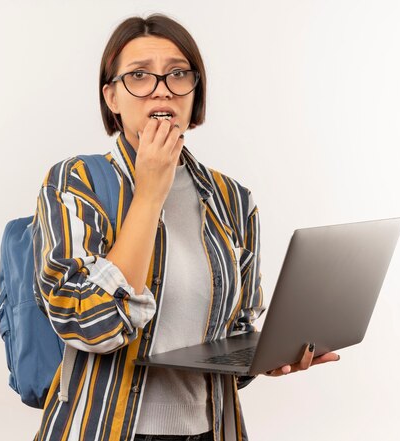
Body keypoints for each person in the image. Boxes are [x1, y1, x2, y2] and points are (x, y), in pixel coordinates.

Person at [31, 13, 340, 441]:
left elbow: (232, 333)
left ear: (195, 93)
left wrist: (265, 357)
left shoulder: (234, 199)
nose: (161, 88)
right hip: (101, 429)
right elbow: (90, 325)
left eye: (178, 73)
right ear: (112, 98)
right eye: (139, 75)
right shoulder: (76, 181)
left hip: (210, 431)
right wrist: (150, 193)